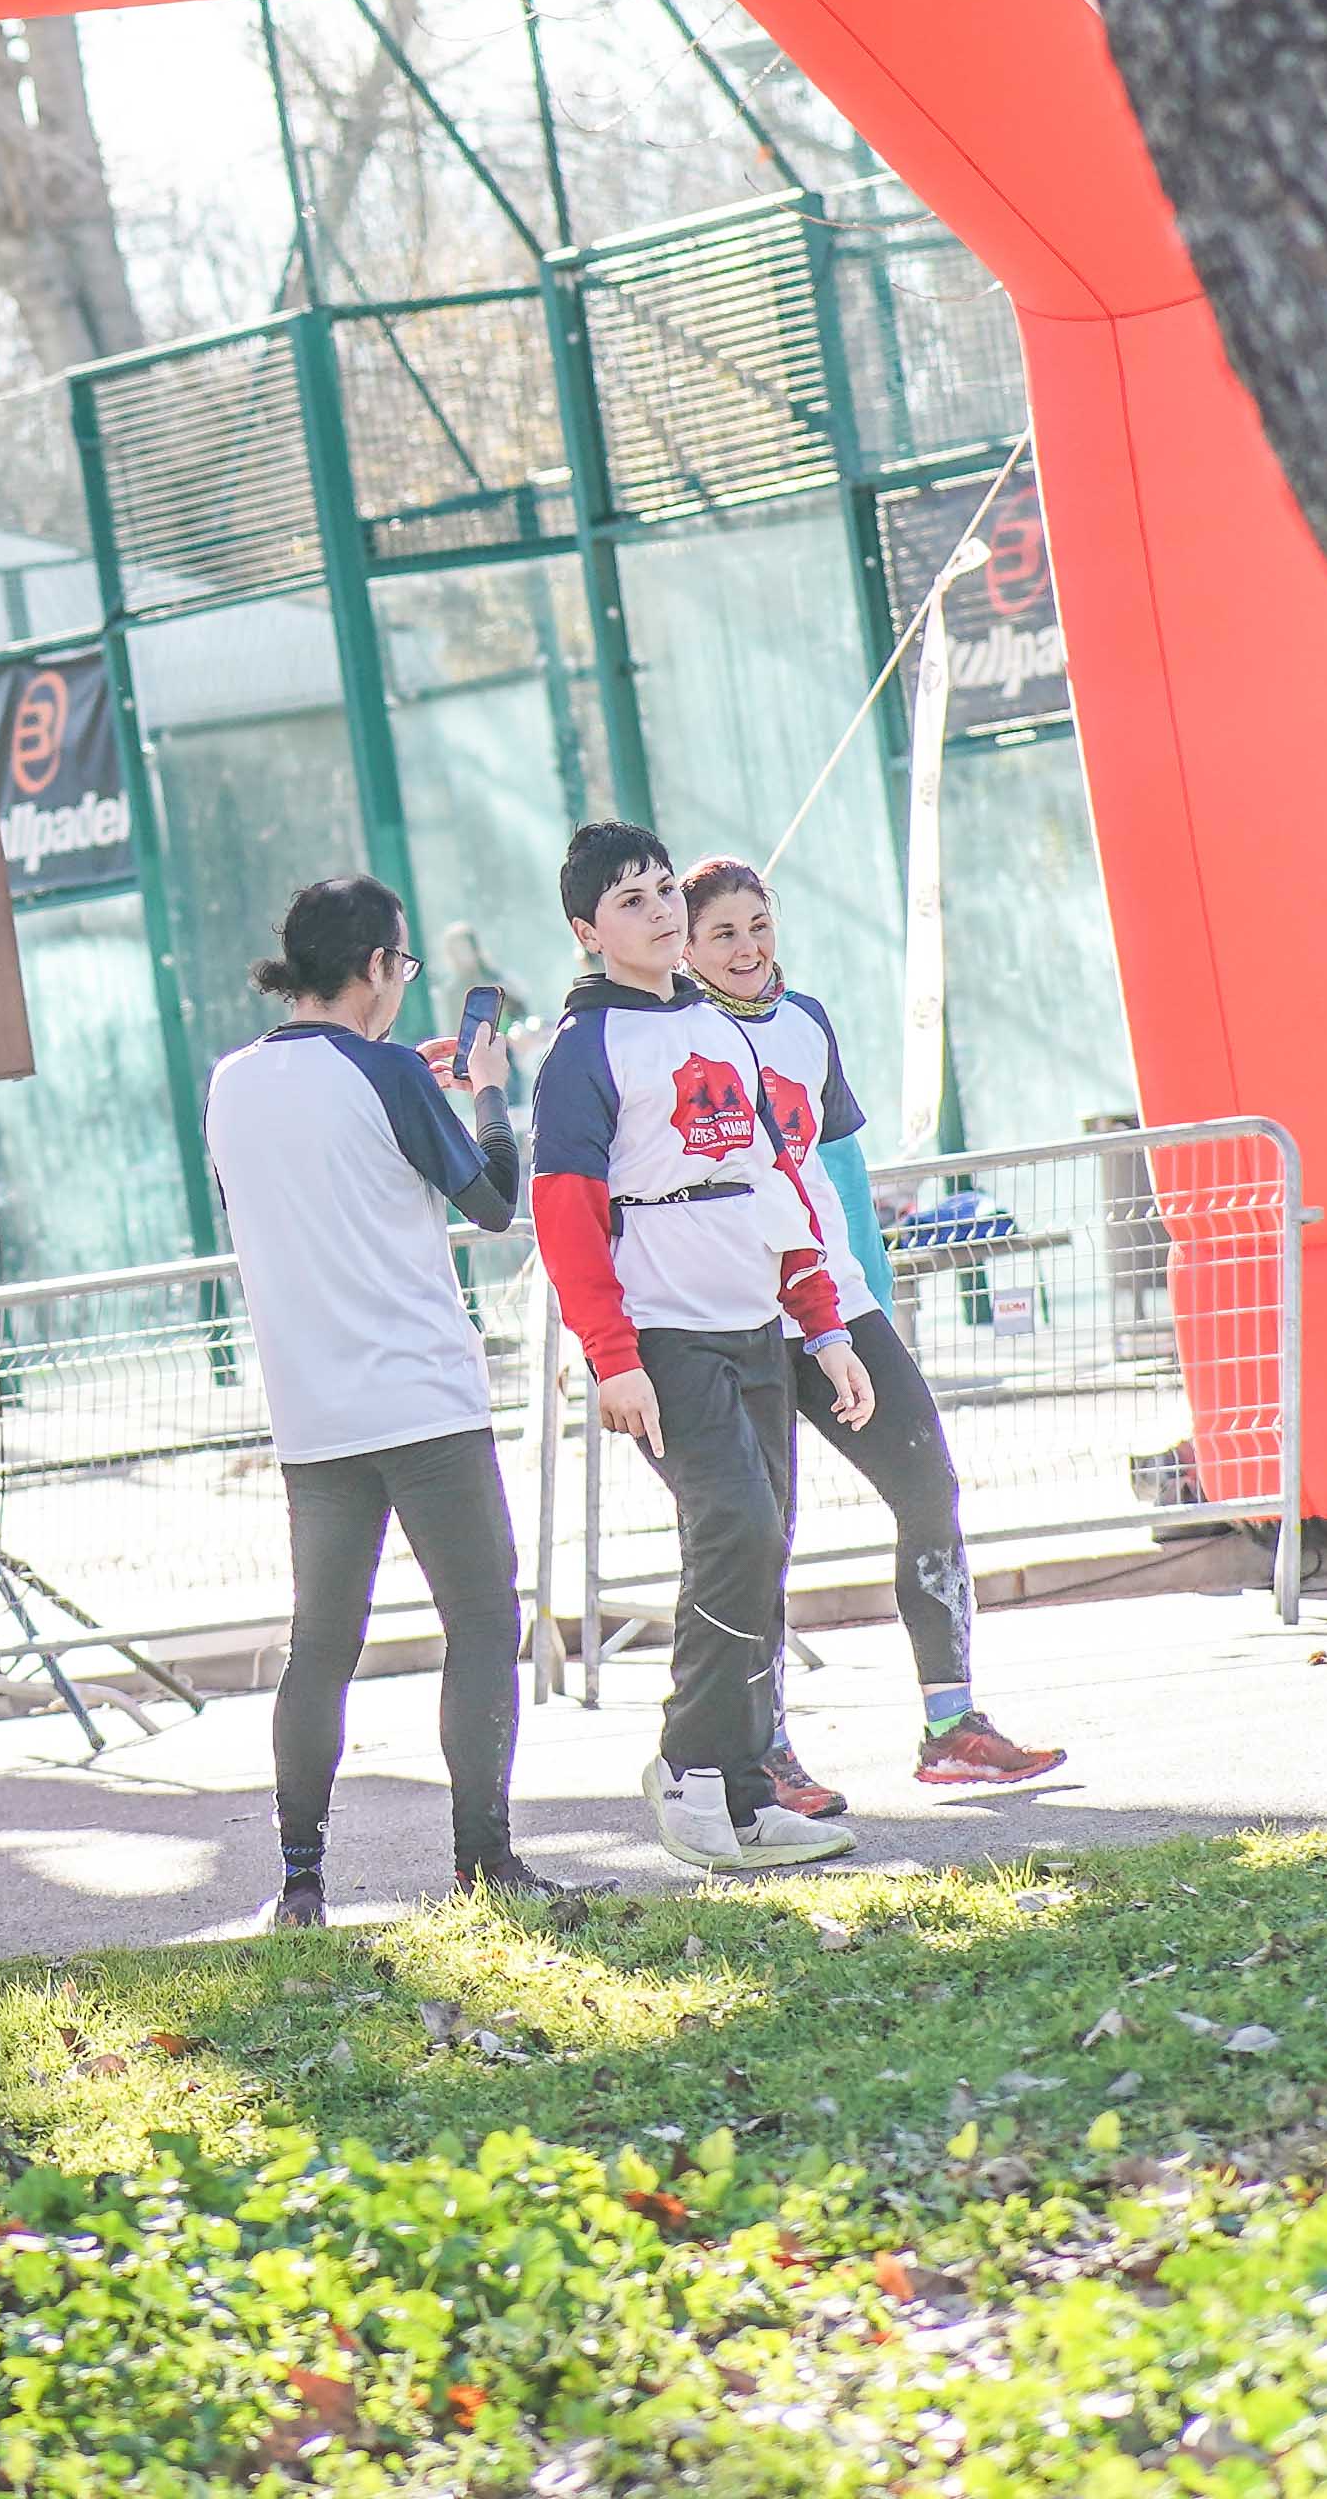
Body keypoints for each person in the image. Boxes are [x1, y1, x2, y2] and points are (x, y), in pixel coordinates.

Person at [669, 858, 1067, 1799]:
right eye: (722, 932)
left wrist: (869, 1299)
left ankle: (952, 1724)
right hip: (741, 1312)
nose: (746, 947)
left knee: (928, 1484)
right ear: (685, 948)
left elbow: (835, 1168)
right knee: (763, 1533)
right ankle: (763, 1753)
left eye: (758, 924)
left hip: (838, 1301)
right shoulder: (679, 1036)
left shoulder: (805, 1019)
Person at [205, 875, 562, 1923]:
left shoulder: (230, 1082)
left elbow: (303, 1182)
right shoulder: (395, 1073)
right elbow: (496, 1201)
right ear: (373, 967)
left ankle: (301, 1880)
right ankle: (483, 1861)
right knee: (483, 1620)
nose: (403, 984)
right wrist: (488, 1090)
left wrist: (411, 1084)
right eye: (400, 967)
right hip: (423, 1398)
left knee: (323, 1642)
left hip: (311, 1412)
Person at [531, 821, 861, 1875]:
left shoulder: (720, 1029)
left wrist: (823, 1322)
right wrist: (611, 1354)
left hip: (756, 1321)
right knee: (734, 1526)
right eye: (631, 899)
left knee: (765, 1546)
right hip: (665, 1337)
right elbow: (564, 1212)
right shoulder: (586, 1050)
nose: (663, 909)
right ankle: (688, 1767)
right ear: (589, 931)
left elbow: (777, 1183)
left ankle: (749, 1790)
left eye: (666, 888)